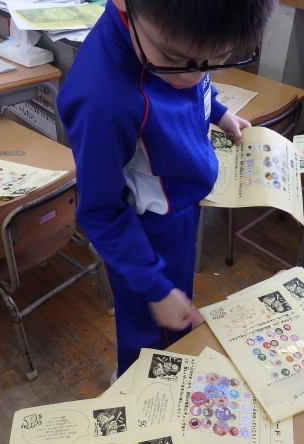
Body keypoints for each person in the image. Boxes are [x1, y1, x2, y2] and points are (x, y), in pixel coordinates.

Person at [57, 0, 276, 377]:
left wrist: (218, 111)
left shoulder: (173, 40)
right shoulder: (102, 99)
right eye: (175, 59)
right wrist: (153, 285)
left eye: (217, 59)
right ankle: (137, 386)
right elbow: (100, 211)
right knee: (151, 331)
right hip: (144, 233)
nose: (194, 75)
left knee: (175, 312)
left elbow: (197, 83)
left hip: (179, 203)